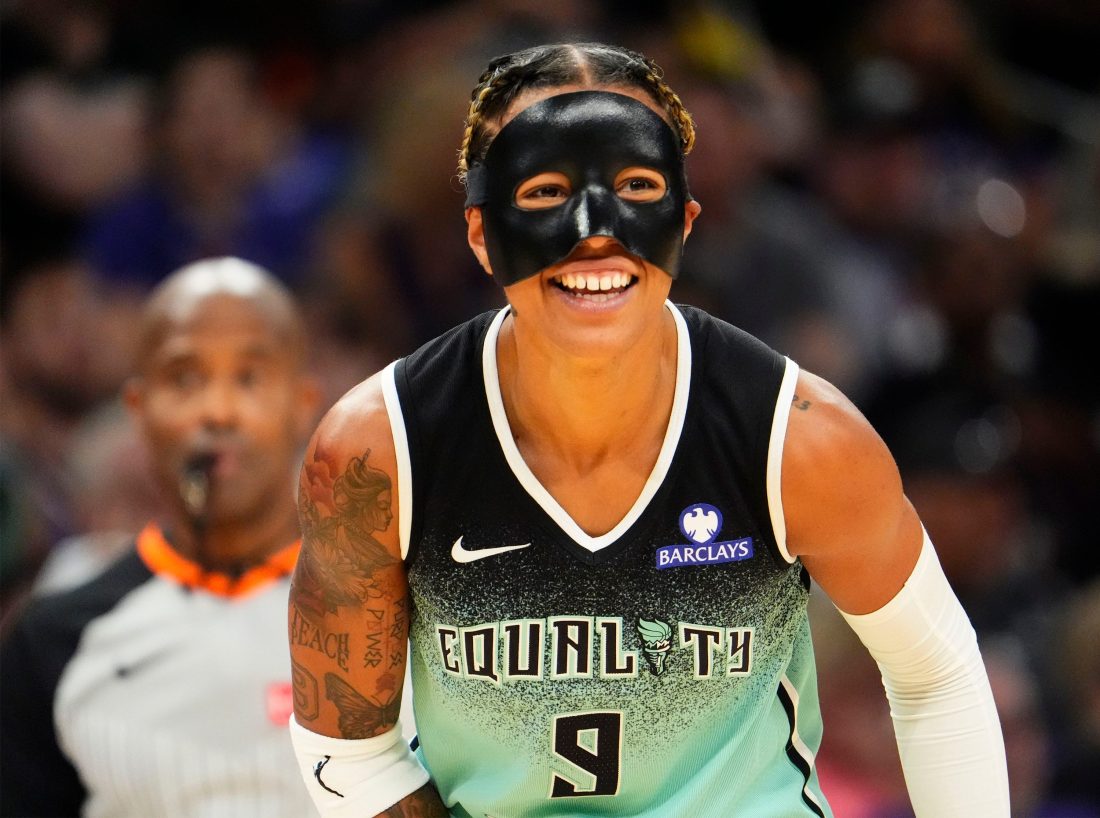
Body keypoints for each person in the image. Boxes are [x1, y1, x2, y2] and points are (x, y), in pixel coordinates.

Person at [287, 42, 1010, 818]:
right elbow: (348, 746)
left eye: (634, 184)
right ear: (480, 232)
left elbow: (937, 676)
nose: (596, 231)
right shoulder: (377, 449)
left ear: (684, 219)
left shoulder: (798, 436)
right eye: (545, 189)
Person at [0, 257, 323, 817]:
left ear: (301, 406)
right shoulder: (57, 639)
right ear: (139, 411)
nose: (218, 412)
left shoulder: (404, 610)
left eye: (249, 377)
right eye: (185, 379)